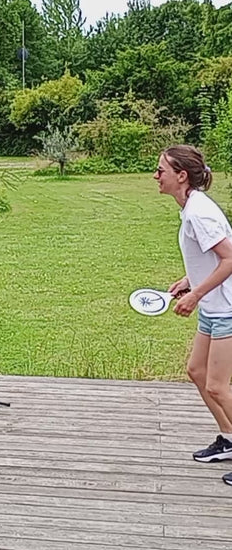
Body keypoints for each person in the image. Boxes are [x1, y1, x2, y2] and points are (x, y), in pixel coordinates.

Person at [155, 144, 232, 486]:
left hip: (227, 308)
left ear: (181, 176)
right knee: (197, 371)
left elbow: (230, 258)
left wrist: (196, 294)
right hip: (214, 306)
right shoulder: (190, 207)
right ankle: (228, 437)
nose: (155, 176)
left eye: (161, 170)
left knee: (217, 386)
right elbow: (212, 256)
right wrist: (190, 279)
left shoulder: (199, 212)